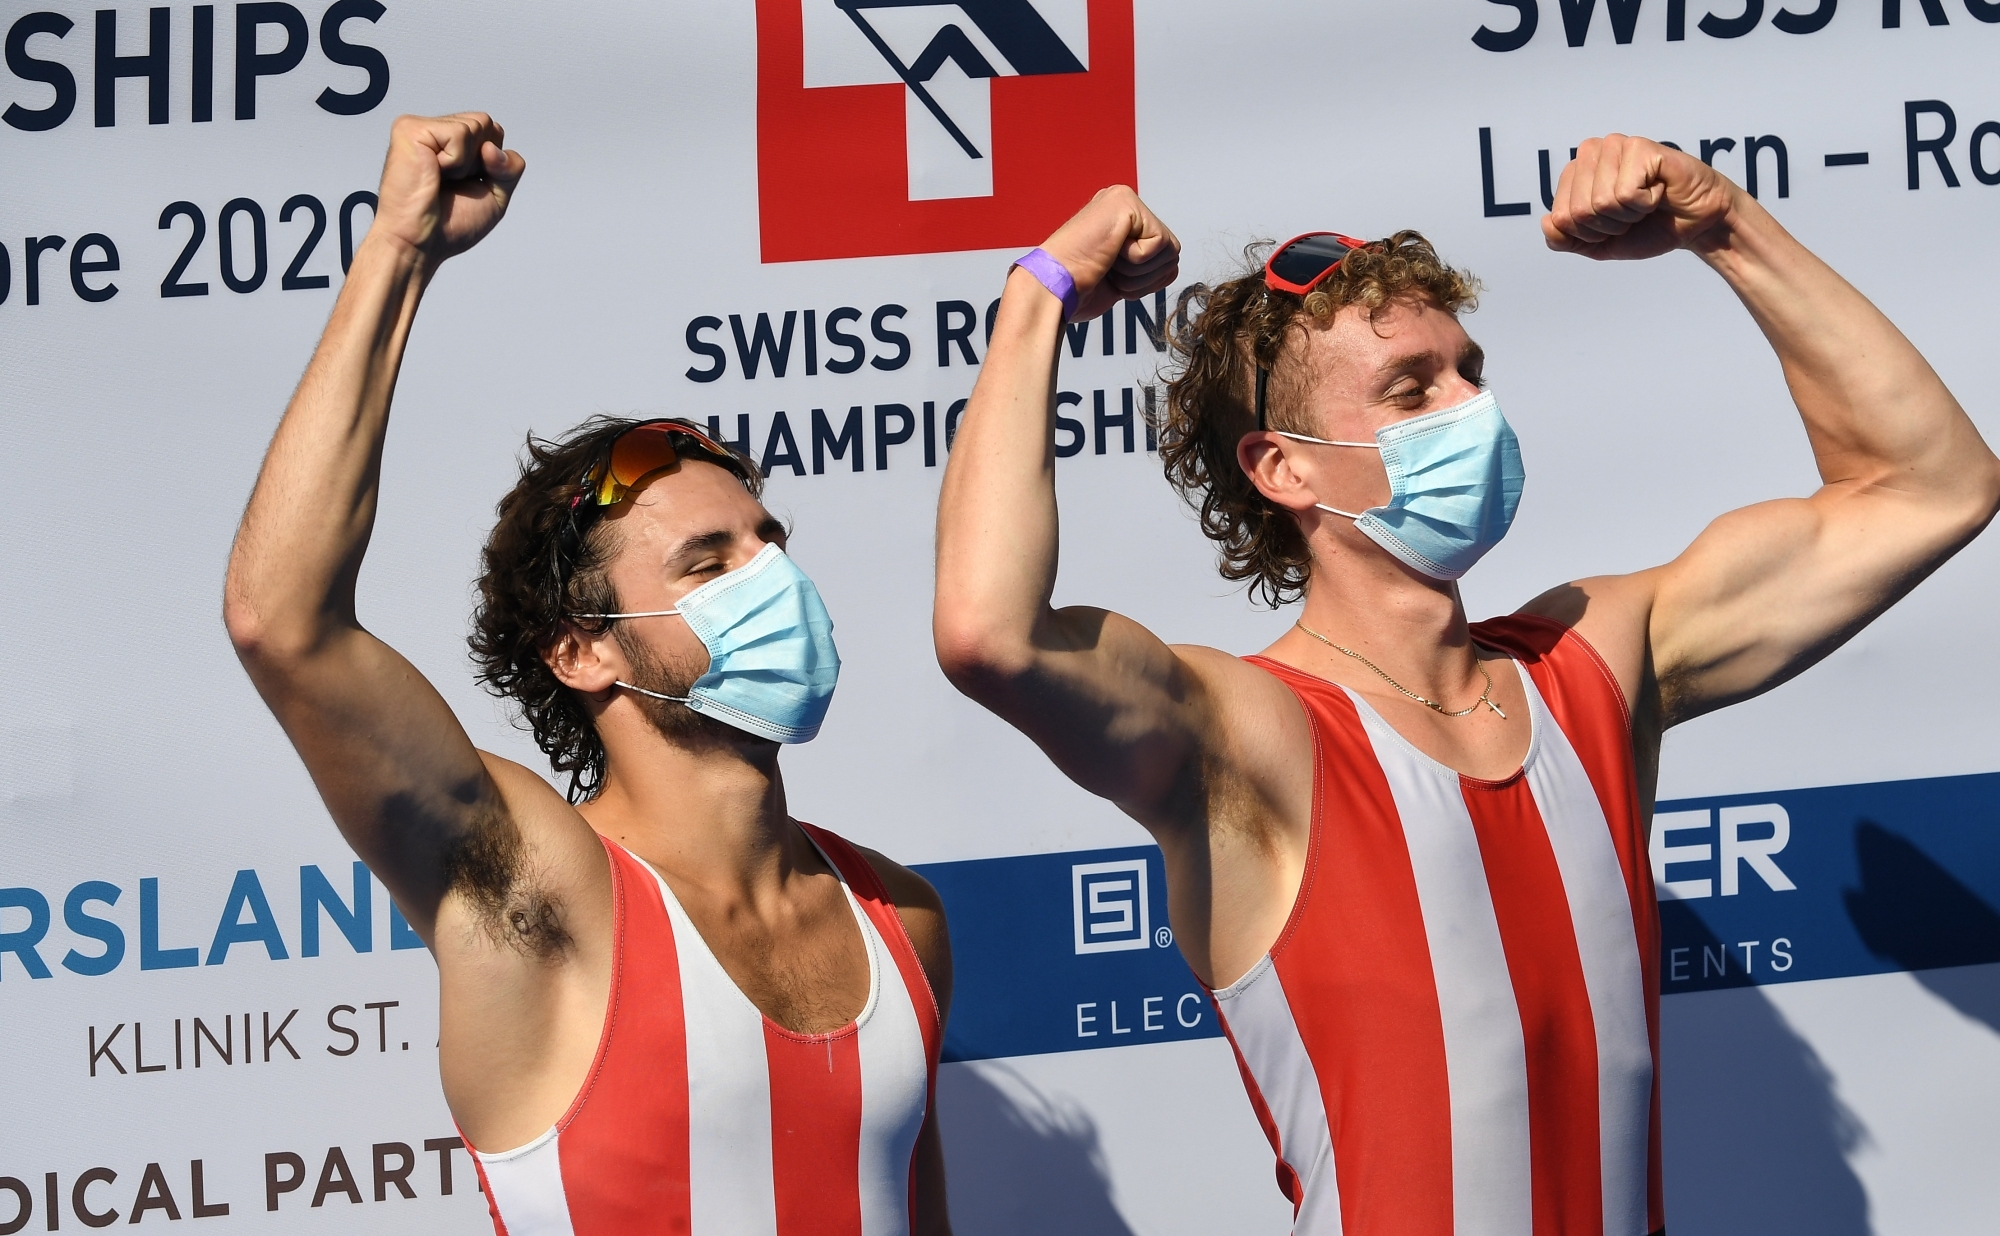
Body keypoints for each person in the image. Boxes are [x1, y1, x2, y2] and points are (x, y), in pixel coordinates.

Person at [932, 134, 1999, 1235]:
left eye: (1467, 371)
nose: (1467, 407)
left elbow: (1929, 488)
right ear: (1283, 467)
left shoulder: (1592, 660)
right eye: (1410, 388)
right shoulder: (1246, 731)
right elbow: (989, 635)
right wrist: (1038, 295)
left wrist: (1724, 227)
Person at [225, 112, 952, 1236]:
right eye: (708, 564)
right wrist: (399, 257)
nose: (769, 582)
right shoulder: (542, 890)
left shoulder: (899, 916)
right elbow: (282, 622)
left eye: (769, 545)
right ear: (582, 651)